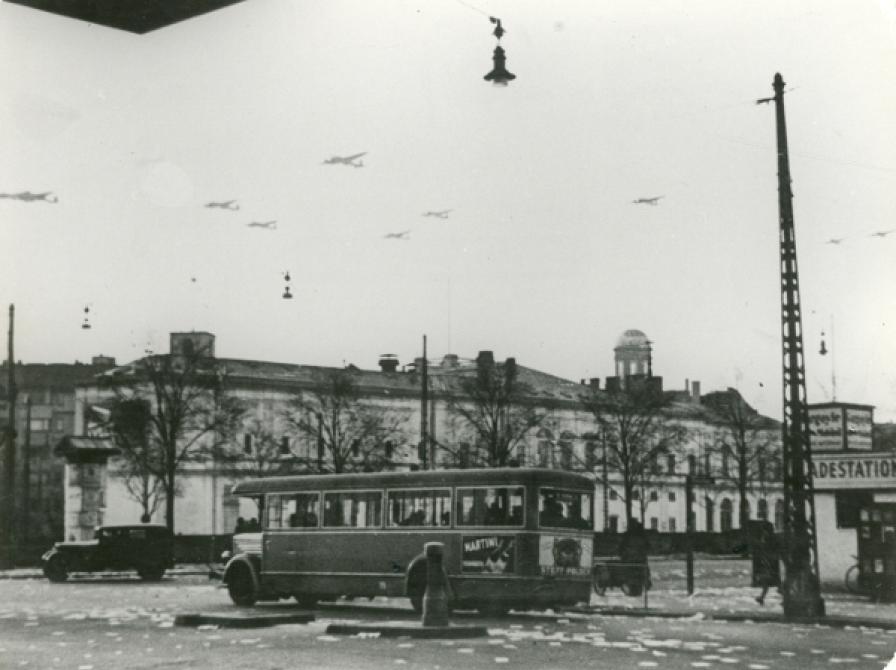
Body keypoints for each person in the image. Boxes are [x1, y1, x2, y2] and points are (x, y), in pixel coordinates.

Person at [753, 521, 780, 605]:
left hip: (769, 563)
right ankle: (762, 597)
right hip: (769, 563)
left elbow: (768, 550)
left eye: (764, 530)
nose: (763, 532)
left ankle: (762, 597)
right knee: (768, 582)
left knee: (769, 581)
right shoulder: (768, 538)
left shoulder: (769, 539)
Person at [618, 517, 650, 590]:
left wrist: (621, 553)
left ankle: (625, 581)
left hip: (629, 558)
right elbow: (648, 546)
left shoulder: (627, 535)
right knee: (645, 567)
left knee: (624, 566)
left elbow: (621, 546)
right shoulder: (642, 535)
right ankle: (646, 581)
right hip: (640, 559)